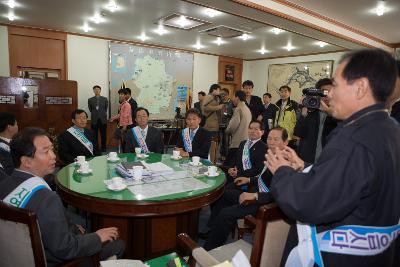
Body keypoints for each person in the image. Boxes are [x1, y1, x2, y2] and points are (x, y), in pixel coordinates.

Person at [266, 49, 400, 267]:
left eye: (335, 85)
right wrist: (305, 168)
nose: (328, 95)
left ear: (360, 88)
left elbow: (308, 203)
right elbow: (352, 181)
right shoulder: (390, 128)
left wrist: (282, 171)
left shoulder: (353, 139)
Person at [0, 127, 124, 266]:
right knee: (118, 244)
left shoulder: (4, 185)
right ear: (27, 161)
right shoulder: (47, 199)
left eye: (52, 149)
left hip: (16, 258)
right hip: (51, 259)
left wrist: (71, 226)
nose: (53, 156)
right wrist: (97, 237)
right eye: (46, 152)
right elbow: (65, 249)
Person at [203, 127, 289, 250]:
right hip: (255, 192)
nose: (271, 142)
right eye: (270, 138)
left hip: (265, 204)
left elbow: (280, 194)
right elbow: (262, 178)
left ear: (285, 142)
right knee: (222, 194)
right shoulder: (273, 156)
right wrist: (249, 180)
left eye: (276, 139)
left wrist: (255, 196)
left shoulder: (286, 164)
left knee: (225, 214)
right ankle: (215, 232)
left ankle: (209, 248)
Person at [294, 78, 337, 163]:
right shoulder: (311, 110)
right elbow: (298, 133)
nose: (327, 95)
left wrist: (329, 112)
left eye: (330, 91)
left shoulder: (339, 113)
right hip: (307, 160)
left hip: (329, 161)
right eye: (324, 92)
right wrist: (303, 115)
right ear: (318, 93)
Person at [224, 90, 252, 167]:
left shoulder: (238, 109)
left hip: (237, 142)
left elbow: (233, 126)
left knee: (228, 165)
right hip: (245, 141)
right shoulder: (247, 109)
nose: (232, 99)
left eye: (233, 97)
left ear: (237, 98)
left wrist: (227, 131)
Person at [88, 85, 108, 152]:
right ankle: (95, 148)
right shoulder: (90, 100)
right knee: (94, 135)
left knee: (103, 135)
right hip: (94, 120)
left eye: (98, 89)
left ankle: (103, 148)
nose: (97, 90)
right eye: (95, 89)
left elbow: (105, 108)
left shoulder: (105, 99)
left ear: (100, 90)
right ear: (93, 91)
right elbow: (90, 109)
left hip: (103, 120)